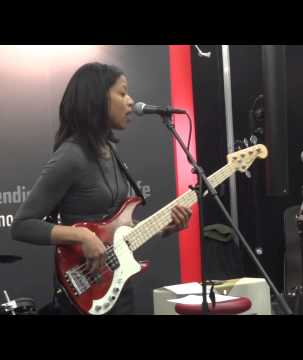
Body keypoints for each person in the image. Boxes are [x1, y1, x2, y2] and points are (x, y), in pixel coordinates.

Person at [11, 62, 192, 315]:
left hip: (118, 291)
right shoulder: (71, 155)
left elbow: (116, 231)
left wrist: (163, 227)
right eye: (122, 92)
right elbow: (22, 225)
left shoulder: (110, 151)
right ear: (96, 99)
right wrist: (82, 236)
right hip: (84, 292)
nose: (130, 101)